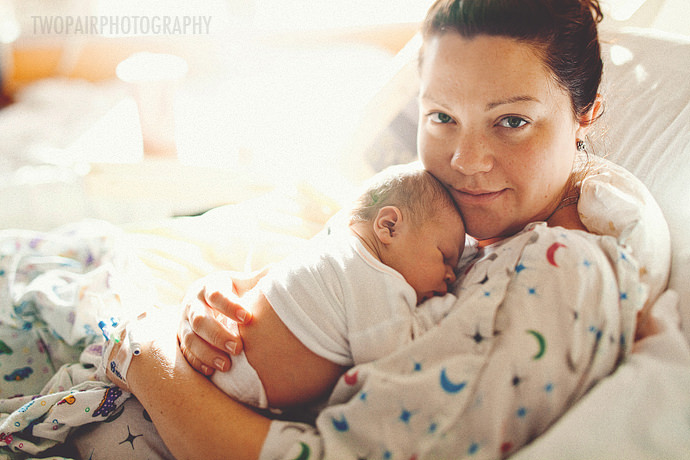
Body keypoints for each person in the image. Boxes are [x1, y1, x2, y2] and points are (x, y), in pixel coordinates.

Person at [86, 1, 667, 459]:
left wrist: (142, 345)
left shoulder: (557, 274)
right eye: (441, 116)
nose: (465, 160)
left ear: (586, 113)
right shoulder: (472, 218)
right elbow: (335, 267)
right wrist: (225, 298)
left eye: (511, 121)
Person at [107, 163, 465, 411]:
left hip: (219, 362)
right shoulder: (377, 279)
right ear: (388, 226)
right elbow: (391, 354)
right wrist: (444, 308)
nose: (451, 276)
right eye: (445, 257)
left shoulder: (338, 245)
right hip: (231, 379)